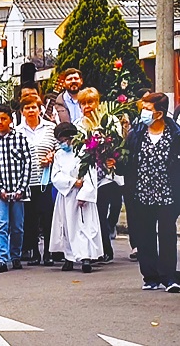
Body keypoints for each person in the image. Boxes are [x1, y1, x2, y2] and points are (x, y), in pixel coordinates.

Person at [123, 93, 180, 292]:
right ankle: (150, 276)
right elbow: (127, 161)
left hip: (168, 194)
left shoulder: (175, 133)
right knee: (145, 235)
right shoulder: (136, 133)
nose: (144, 113)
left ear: (160, 113)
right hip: (141, 193)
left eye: (148, 109)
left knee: (167, 235)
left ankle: (169, 277)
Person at [76, 87, 122, 264]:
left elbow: (119, 144)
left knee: (108, 210)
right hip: (91, 176)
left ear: (98, 102)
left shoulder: (109, 120)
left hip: (109, 175)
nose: (87, 106)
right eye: (84, 103)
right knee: (96, 213)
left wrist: (113, 157)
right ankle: (100, 250)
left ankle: (107, 242)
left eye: (91, 102)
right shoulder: (78, 125)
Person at [49, 122, 102, 273]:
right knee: (67, 226)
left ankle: (86, 257)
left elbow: (91, 174)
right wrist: (72, 182)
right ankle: (69, 257)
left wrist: (84, 193)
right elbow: (56, 175)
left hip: (82, 196)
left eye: (64, 139)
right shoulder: (59, 154)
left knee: (84, 227)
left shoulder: (85, 152)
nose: (62, 143)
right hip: (67, 195)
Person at [0, 104, 32, 274]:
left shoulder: (20, 138)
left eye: (3, 119)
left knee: (18, 226)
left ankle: (15, 255)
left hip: (18, 190)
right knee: (1, 224)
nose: (0, 122)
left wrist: (21, 187)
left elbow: (27, 163)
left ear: (10, 120)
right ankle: (2, 258)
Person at [15, 95, 57, 266]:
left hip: (46, 180)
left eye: (34, 107)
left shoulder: (50, 128)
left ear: (40, 109)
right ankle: (33, 251)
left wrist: (53, 156)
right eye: (27, 108)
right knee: (30, 218)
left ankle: (49, 252)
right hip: (26, 181)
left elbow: (59, 147)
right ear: (22, 111)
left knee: (48, 217)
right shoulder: (17, 131)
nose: (31, 110)